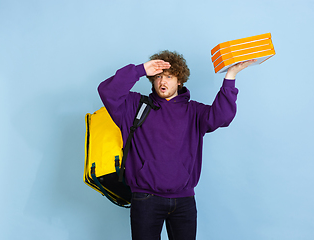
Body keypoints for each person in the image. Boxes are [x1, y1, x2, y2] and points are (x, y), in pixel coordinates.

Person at [98, 50, 256, 240]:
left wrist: (230, 76)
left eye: (169, 76)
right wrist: (141, 70)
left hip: (184, 200)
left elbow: (222, 116)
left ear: (180, 80)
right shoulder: (134, 106)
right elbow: (107, 91)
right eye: (158, 77)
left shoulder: (194, 111)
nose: (162, 82)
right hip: (146, 199)